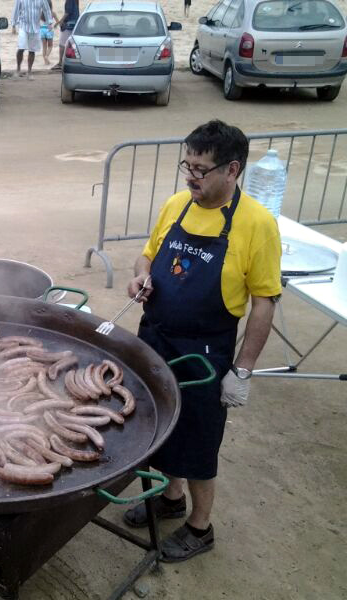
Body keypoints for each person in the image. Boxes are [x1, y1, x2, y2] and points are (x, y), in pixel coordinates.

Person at [122, 120, 281, 563]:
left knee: (197, 440)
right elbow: (149, 253)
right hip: (154, 337)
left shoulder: (257, 224)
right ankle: (170, 499)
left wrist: (242, 371)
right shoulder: (177, 204)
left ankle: (199, 526)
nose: (191, 176)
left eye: (201, 169)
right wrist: (140, 275)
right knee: (157, 428)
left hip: (205, 352)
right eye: (186, 165)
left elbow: (264, 302)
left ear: (232, 171)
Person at [11, 0, 55, 80]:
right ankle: (18, 69)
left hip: (36, 27)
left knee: (32, 50)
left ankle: (29, 71)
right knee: (21, 47)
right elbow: (16, 9)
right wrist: (13, 25)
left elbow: (47, 10)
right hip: (23, 26)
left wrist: (50, 23)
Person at [52, 0, 80, 70]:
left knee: (62, 44)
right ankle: (74, 62)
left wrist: (59, 22)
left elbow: (67, 13)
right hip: (75, 25)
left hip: (68, 25)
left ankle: (60, 63)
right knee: (73, 44)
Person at [40, 0, 58, 65]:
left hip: (41, 30)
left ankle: (45, 62)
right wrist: (55, 25)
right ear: (51, 5)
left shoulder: (41, 13)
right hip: (49, 30)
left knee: (44, 46)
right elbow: (57, 22)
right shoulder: (52, 13)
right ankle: (46, 56)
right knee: (50, 46)